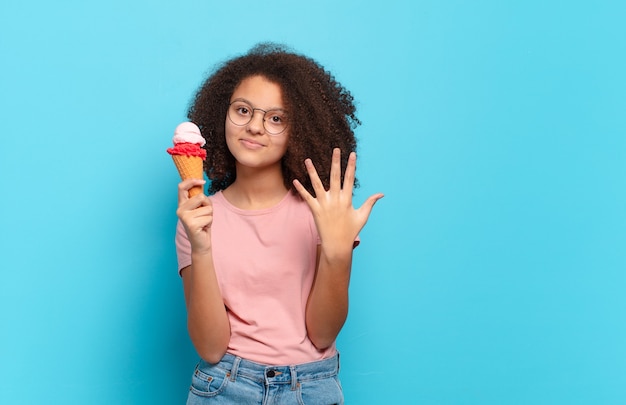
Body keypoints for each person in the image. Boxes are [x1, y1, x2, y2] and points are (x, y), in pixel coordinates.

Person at [174, 43, 383, 405]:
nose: (254, 126)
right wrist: (202, 245)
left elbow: (322, 334)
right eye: (243, 111)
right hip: (224, 386)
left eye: (275, 118)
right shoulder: (198, 217)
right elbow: (209, 347)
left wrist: (337, 253)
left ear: (298, 130)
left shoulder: (321, 212)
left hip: (310, 388)